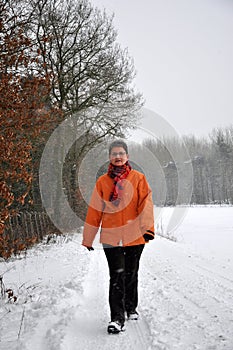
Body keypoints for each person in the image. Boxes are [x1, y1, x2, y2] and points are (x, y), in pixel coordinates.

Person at [82, 140, 155, 334]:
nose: (118, 156)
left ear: (127, 156)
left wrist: (146, 229)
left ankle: (130, 307)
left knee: (131, 274)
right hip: (111, 237)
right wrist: (88, 238)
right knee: (117, 276)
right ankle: (116, 318)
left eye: (121, 153)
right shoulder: (102, 182)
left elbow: (145, 204)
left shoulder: (139, 179)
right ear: (109, 157)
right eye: (114, 153)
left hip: (134, 237)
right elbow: (94, 211)